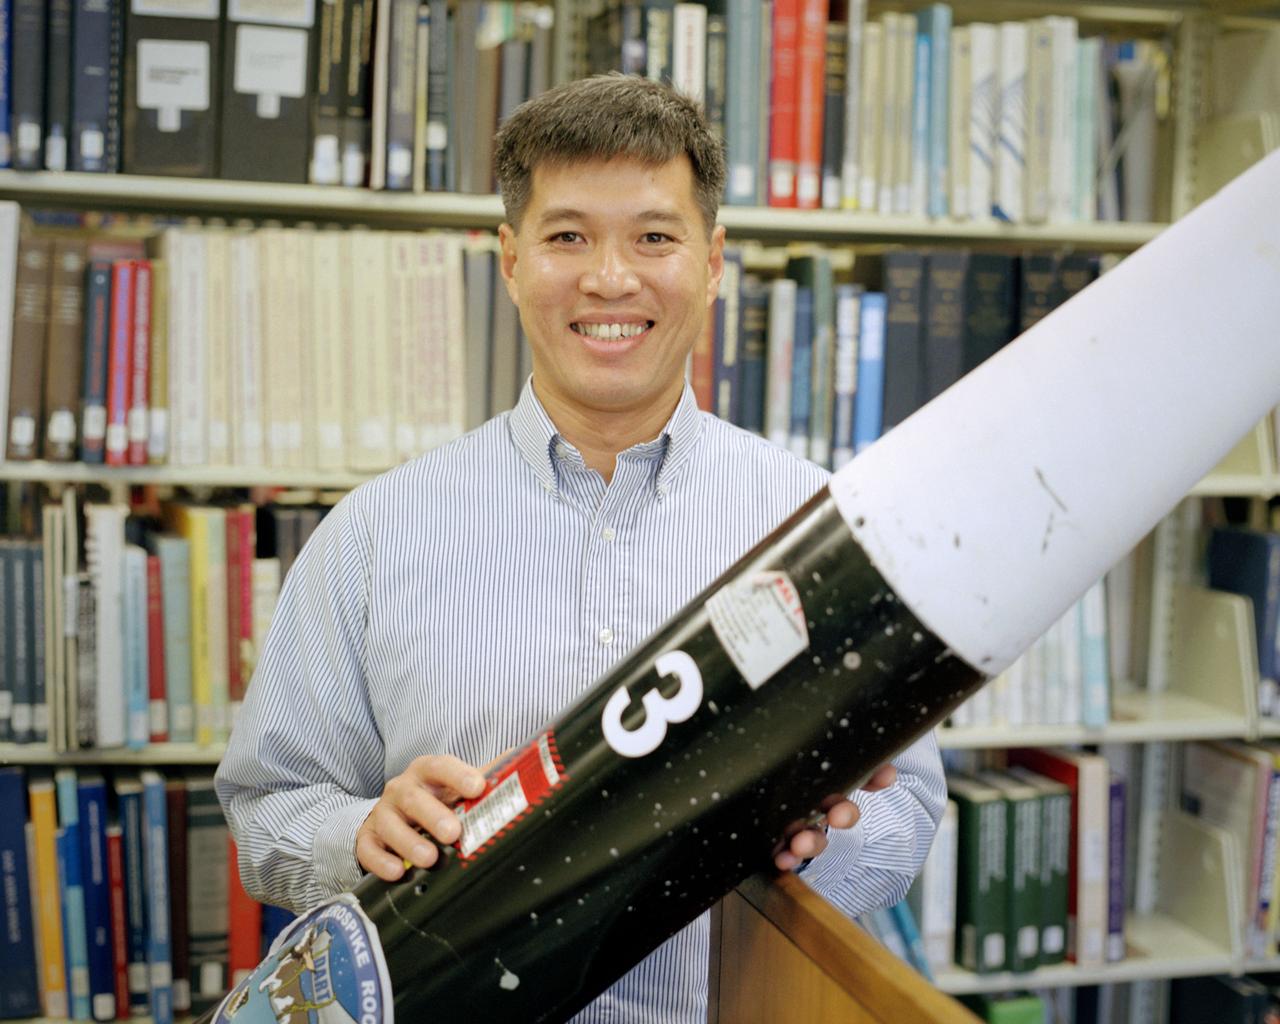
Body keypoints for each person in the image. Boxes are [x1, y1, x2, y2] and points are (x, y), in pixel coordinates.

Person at [216, 73, 946, 1023]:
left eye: (654, 235)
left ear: (714, 259)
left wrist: (814, 851)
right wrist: (366, 835)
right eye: (568, 237)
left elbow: (910, 809)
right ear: (511, 261)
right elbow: (268, 812)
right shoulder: (373, 534)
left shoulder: (821, 527)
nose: (610, 277)